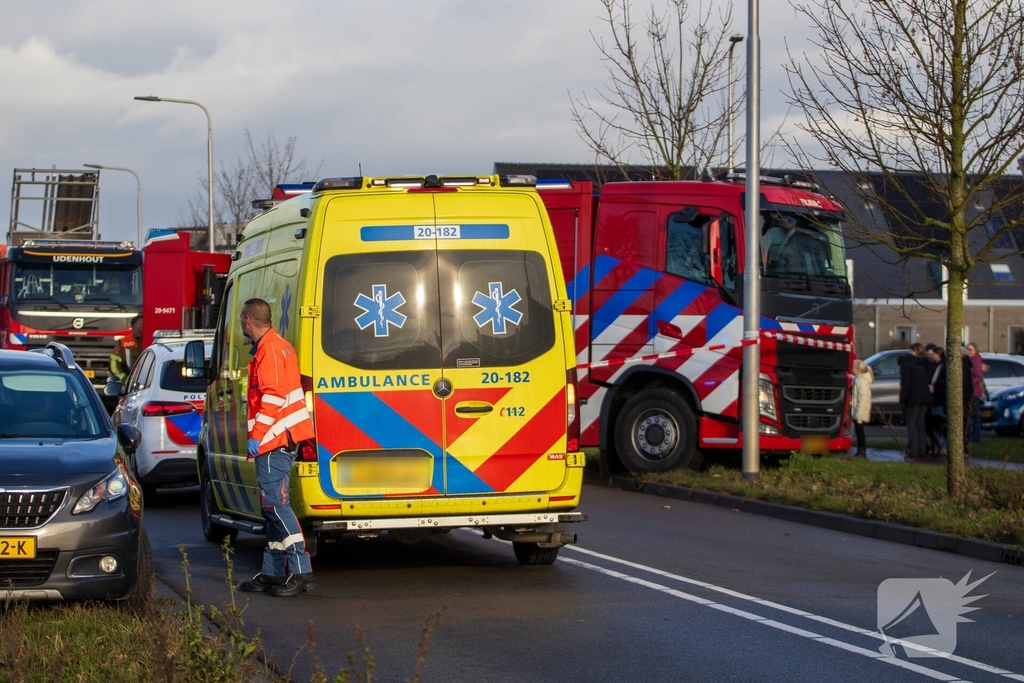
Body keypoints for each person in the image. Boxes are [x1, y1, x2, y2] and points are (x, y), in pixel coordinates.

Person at [237, 298, 317, 597]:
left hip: (274, 439)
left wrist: (257, 435)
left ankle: (300, 570)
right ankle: (272, 572)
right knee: (271, 507)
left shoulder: (269, 350)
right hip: (283, 436)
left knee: (276, 506)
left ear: (247, 320)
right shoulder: (279, 345)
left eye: (241, 320)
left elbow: (271, 398)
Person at [898, 351, 931, 458]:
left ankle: (913, 450)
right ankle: (922, 449)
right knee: (920, 424)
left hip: (913, 399)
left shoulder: (906, 368)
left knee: (911, 423)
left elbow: (905, 386)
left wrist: (902, 400)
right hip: (924, 398)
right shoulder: (919, 368)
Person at [850, 360, 874, 457]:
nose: (852, 369)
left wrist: (858, 415)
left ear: (858, 370)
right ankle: (861, 450)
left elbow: (862, 399)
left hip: (859, 412)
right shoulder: (859, 380)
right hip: (857, 410)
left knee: (860, 432)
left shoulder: (861, 382)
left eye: (854, 368)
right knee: (859, 431)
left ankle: (862, 451)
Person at [110, 315, 143, 383]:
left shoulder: (152, 341)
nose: (143, 326)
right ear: (133, 327)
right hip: (128, 387)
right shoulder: (124, 342)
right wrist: (126, 380)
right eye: (142, 324)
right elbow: (113, 365)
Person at [927, 346, 947, 456]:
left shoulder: (944, 366)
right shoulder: (934, 366)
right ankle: (936, 445)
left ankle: (943, 445)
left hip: (940, 397)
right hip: (933, 397)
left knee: (941, 423)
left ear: (938, 355)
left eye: (933, 354)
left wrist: (936, 384)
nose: (931, 356)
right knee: (933, 424)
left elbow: (945, 382)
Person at [966, 342, 987, 445]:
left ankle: (975, 438)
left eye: (970, 349)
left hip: (974, 391)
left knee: (974, 416)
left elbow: (979, 376)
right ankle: (970, 437)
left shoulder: (976, 360)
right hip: (970, 391)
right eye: (967, 349)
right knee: (970, 415)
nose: (968, 351)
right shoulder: (970, 360)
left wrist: (969, 383)